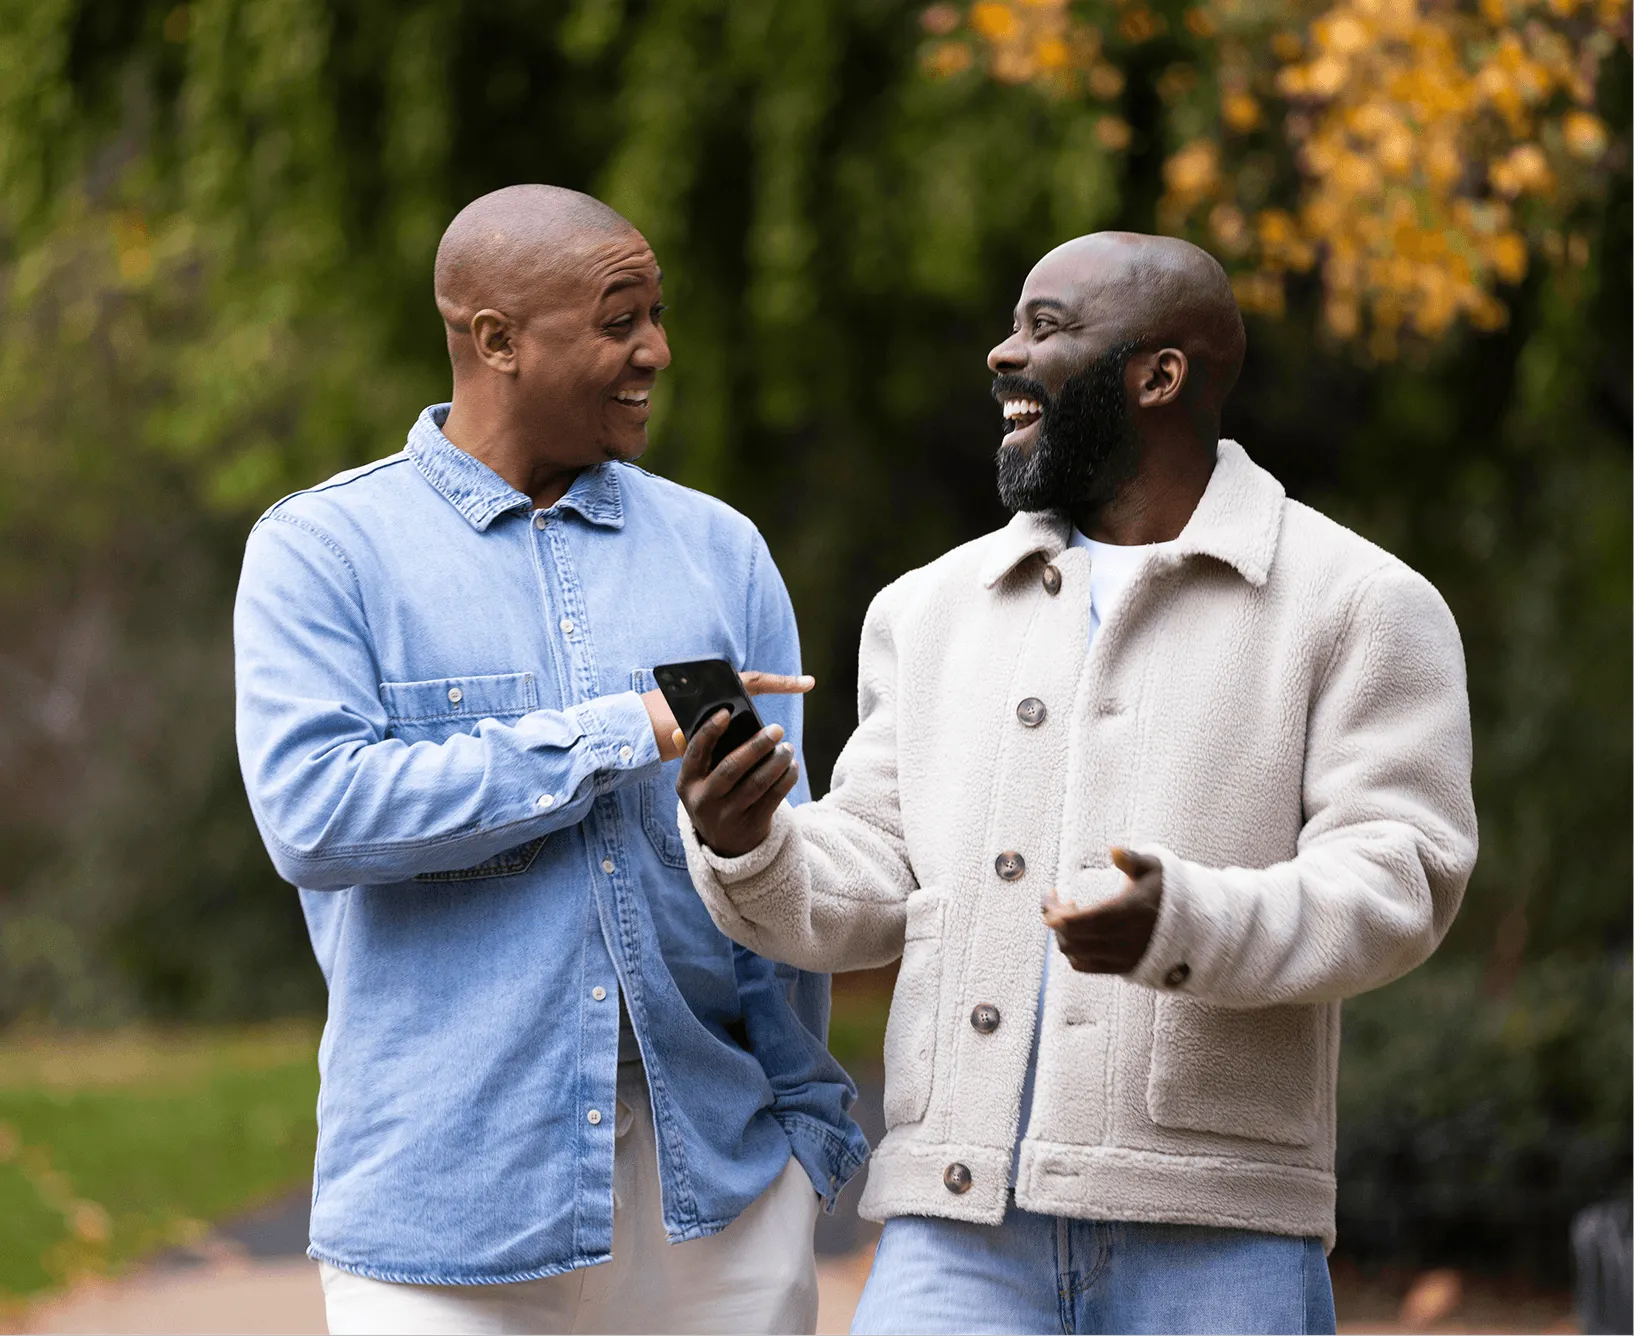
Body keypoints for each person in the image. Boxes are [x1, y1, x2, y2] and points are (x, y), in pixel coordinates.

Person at [675, 231, 1478, 1335]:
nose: (1004, 355)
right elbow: (871, 876)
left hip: (1218, 1240)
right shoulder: (927, 609)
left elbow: (1400, 878)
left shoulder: (1357, 603)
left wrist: (1185, 921)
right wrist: (749, 841)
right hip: (949, 1235)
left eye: (1045, 328)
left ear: (1160, 375)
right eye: (1013, 324)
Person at [233, 185, 867, 1336]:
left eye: (658, 315)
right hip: (443, 1217)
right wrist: (624, 729)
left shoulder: (722, 553)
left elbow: (794, 871)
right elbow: (313, 816)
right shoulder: (324, 551)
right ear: (496, 340)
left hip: (718, 1206)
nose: (656, 351)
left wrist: (801, 1146)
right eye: (620, 321)